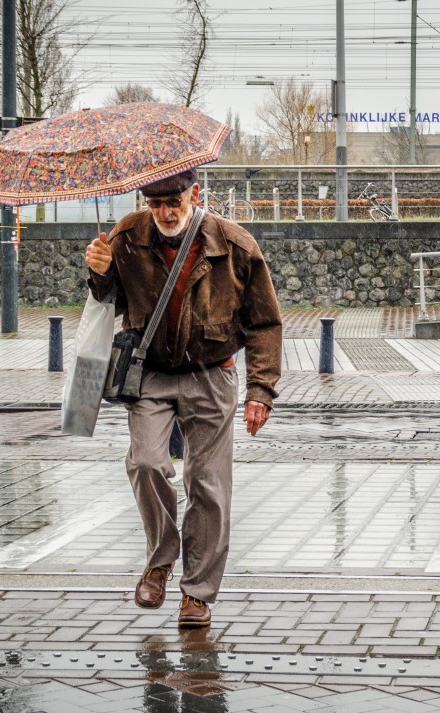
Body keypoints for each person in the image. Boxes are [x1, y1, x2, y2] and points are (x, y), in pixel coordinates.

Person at [84, 167, 282, 627]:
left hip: (212, 374)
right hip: (150, 373)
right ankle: (161, 557)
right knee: (146, 462)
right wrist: (98, 272)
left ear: (195, 193)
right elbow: (107, 299)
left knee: (207, 484)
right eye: (154, 204)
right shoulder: (127, 235)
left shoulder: (234, 245)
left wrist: (261, 390)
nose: (165, 213)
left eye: (173, 202)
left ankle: (197, 594)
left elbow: (265, 323)